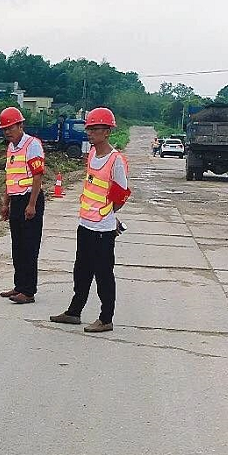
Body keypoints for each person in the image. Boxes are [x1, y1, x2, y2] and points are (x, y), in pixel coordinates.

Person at [50, 107, 130, 333]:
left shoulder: (115, 160)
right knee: (81, 271)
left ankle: (106, 319)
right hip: (85, 224)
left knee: (103, 274)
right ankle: (74, 312)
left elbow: (122, 194)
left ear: (107, 132)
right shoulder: (93, 154)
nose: (90, 133)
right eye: (89, 129)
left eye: (95, 129)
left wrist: (108, 215)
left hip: (103, 229)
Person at [0, 106, 45, 304]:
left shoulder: (32, 145)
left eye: (11, 127)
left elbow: (38, 175)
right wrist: (5, 203)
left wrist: (32, 204)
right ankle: (19, 286)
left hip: (29, 199)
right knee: (17, 246)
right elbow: (10, 178)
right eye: (5, 129)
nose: (8, 131)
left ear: (20, 125)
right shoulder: (11, 148)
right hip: (16, 201)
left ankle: (28, 291)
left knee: (29, 247)